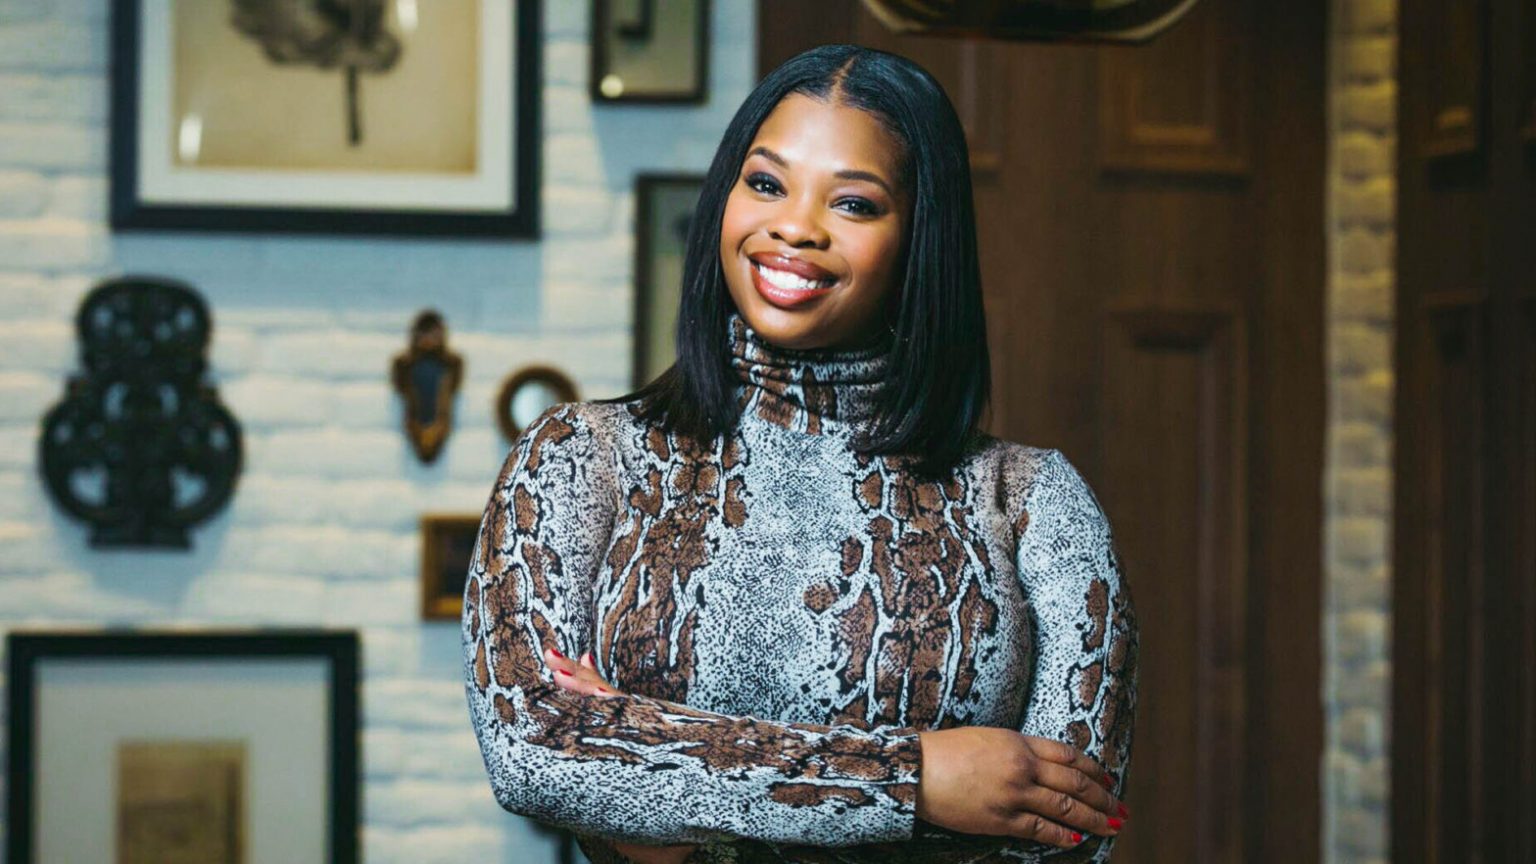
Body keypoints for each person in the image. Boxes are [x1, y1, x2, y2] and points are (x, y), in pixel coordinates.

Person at [462, 43, 1138, 864]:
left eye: (853, 203)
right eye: (766, 183)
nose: (794, 227)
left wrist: (655, 786)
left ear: (920, 236)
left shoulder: (1033, 500)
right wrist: (917, 780)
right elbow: (533, 748)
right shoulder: (579, 457)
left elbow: (1066, 837)